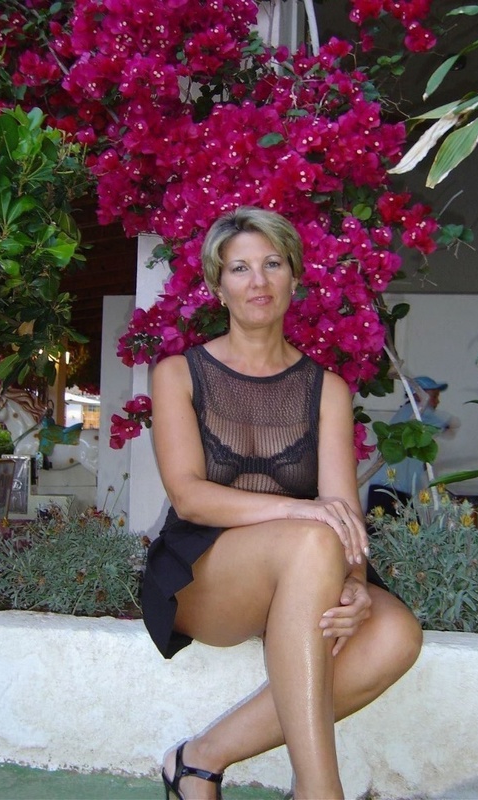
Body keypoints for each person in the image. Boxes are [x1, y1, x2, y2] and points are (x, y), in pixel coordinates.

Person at [142, 206, 423, 800]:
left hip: (306, 565)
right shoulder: (179, 374)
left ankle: (198, 760)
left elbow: (341, 508)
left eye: (272, 264)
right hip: (204, 573)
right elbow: (189, 497)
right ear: (218, 285)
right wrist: (298, 510)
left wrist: (354, 584)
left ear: (295, 277)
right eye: (239, 268)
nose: (258, 281)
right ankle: (320, 790)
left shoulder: (327, 390)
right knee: (315, 534)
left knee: (395, 634)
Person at [366, 376, 460, 515]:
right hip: (390, 490)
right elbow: (452, 425)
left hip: (392, 489)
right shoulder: (415, 411)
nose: (437, 401)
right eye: (434, 396)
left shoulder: (407, 414)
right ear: (417, 395)